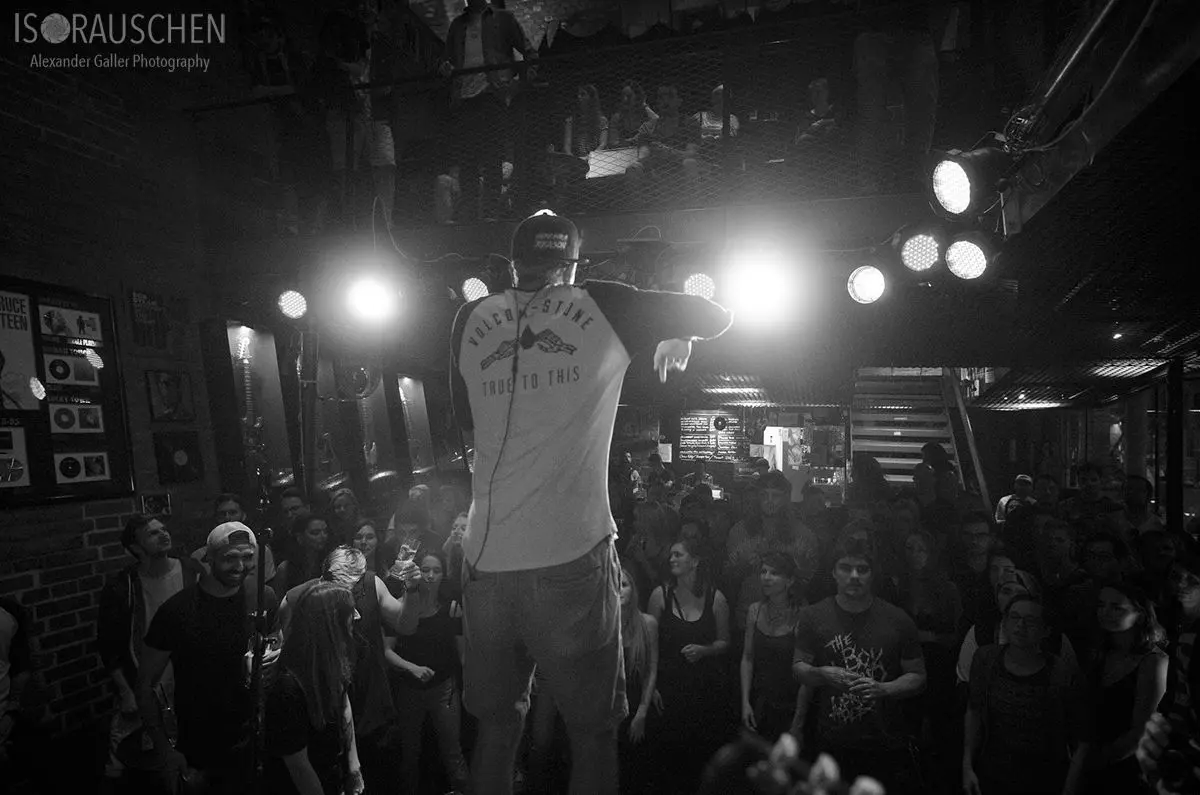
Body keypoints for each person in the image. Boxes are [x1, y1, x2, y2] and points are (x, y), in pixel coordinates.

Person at [449, 210, 732, 795]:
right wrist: (676, 330)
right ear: (574, 265)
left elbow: (465, 423)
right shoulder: (604, 303)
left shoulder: (468, 318)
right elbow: (715, 315)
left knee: (496, 729)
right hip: (569, 556)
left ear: (512, 265)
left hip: (484, 560)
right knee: (594, 731)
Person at [137, 523, 278, 793]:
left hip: (253, 739)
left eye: (247, 557)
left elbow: (273, 646)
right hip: (200, 744)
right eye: (230, 558)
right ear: (209, 557)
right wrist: (165, 750)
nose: (240, 566)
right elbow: (144, 686)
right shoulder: (177, 611)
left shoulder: (262, 598)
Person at [792, 537, 926, 793]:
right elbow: (798, 669)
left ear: (872, 574)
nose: (854, 576)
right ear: (834, 572)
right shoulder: (813, 616)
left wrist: (884, 689)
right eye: (845, 567)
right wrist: (823, 674)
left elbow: (918, 676)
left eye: (862, 569)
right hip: (831, 739)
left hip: (885, 741)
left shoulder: (898, 620)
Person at [98, 514, 205, 790]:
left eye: (163, 529)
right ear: (135, 547)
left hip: (186, 675)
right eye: (152, 533)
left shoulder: (191, 571)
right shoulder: (123, 586)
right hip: (142, 675)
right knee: (126, 752)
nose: (163, 535)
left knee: (184, 747)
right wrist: (125, 691)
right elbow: (109, 644)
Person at [963, 595, 1081, 795]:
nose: (1020, 625)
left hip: (1043, 777)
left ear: (1046, 630)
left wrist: (1070, 787)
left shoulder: (1059, 671)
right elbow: (974, 711)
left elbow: (1080, 736)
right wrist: (967, 765)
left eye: (1031, 620)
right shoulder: (986, 658)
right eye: (1014, 617)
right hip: (993, 771)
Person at [648, 537, 732, 794]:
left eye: (678, 554)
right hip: (669, 686)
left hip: (703, 688)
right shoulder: (660, 595)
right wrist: (651, 685)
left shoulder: (716, 598)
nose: (672, 559)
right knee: (668, 756)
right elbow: (648, 645)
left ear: (695, 561)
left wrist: (704, 650)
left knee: (699, 755)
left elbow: (725, 642)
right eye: (671, 555)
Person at [385, 549, 471, 795]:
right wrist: (412, 667)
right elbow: (385, 650)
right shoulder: (401, 605)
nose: (430, 575)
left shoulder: (450, 608)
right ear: (416, 572)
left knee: (452, 752)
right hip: (409, 690)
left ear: (443, 575)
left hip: (444, 689)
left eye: (436, 570)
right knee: (409, 754)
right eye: (425, 570)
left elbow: (463, 654)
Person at [265, 580, 363, 795]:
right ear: (331, 624)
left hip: (331, 775)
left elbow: (343, 702)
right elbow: (299, 767)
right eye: (350, 613)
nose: (356, 618)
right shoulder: (288, 688)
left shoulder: (331, 662)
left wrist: (353, 766)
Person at [1071, 582, 1168, 795]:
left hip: (1126, 769)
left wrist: (1095, 761)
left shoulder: (1153, 661)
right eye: (1101, 605)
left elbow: (1140, 731)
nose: (1105, 612)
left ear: (1140, 615)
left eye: (1116, 607)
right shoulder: (1100, 653)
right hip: (1089, 759)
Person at [441, 0, 534, 220]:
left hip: (492, 94)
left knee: (492, 155)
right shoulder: (457, 25)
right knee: (468, 160)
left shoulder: (503, 19)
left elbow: (529, 51)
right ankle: (472, 214)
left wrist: (520, 81)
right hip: (465, 98)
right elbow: (447, 59)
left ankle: (490, 212)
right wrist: (445, 68)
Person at [740, 552, 803, 743]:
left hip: (789, 703)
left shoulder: (801, 615)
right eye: (763, 571)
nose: (766, 577)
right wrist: (745, 702)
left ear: (790, 581)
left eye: (774, 573)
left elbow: (805, 673)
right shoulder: (755, 610)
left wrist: (799, 718)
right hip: (759, 699)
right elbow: (747, 658)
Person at [617, 566, 659, 795]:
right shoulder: (603, 624)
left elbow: (651, 670)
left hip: (636, 702)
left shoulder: (647, 623)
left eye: (623, 584)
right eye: (614, 584)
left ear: (633, 589)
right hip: (609, 706)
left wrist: (642, 712)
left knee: (635, 771)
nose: (619, 589)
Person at [274, 513, 336, 595]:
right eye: (315, 533)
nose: (323, 536)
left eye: (325, 531)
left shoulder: (333, 564)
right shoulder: (285, 568)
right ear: (300, 537)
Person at [607, 82, 657, 149]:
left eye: (629, 96)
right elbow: (613, 143)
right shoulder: (616, 118)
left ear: (638, 98)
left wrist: (644, 105)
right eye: (622, 96)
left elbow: (655, 120)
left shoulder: (647, 116)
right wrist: (633, 141)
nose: (625, 99)